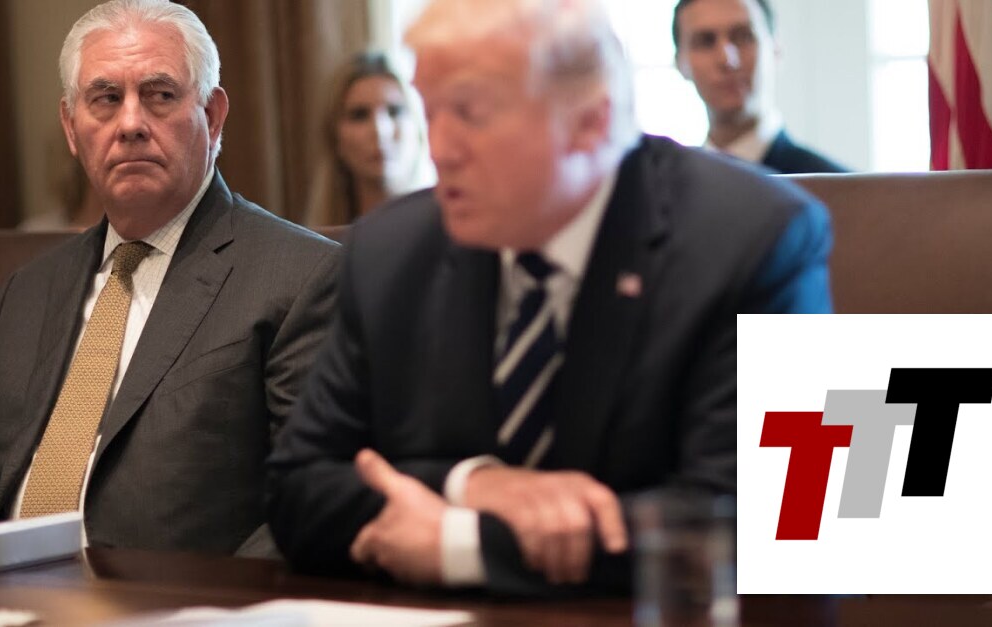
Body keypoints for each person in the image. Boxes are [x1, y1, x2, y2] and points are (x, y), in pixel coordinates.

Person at [267, 0, 832, 596]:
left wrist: (467, 545)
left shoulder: (760, 237)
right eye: (430, 111)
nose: (440, 149)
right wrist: (473, 484)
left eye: (471, 113)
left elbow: (784, 521)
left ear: (589, 122)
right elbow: (297, 491)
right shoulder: (392, 250)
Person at [0, 0, 339, 558]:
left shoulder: (301, 277)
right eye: (106, 98)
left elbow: (312, 499)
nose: (131, 124)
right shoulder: (26, 293)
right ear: (71, 126)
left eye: (160, 95)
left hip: (179, 597)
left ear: (212, 115)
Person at [673, 0, 848, 173]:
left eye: (744, 36)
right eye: (705, 41)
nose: (727, 60)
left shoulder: (837, 186)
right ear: (679, 62)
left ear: (776, 50)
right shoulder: (668, 185)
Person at [305, 51, 429, 228]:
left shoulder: (455, 235)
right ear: (334, 137)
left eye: (395, 111)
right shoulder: (311, 241)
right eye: (359, 115)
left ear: (419, 127)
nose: (380, 131)